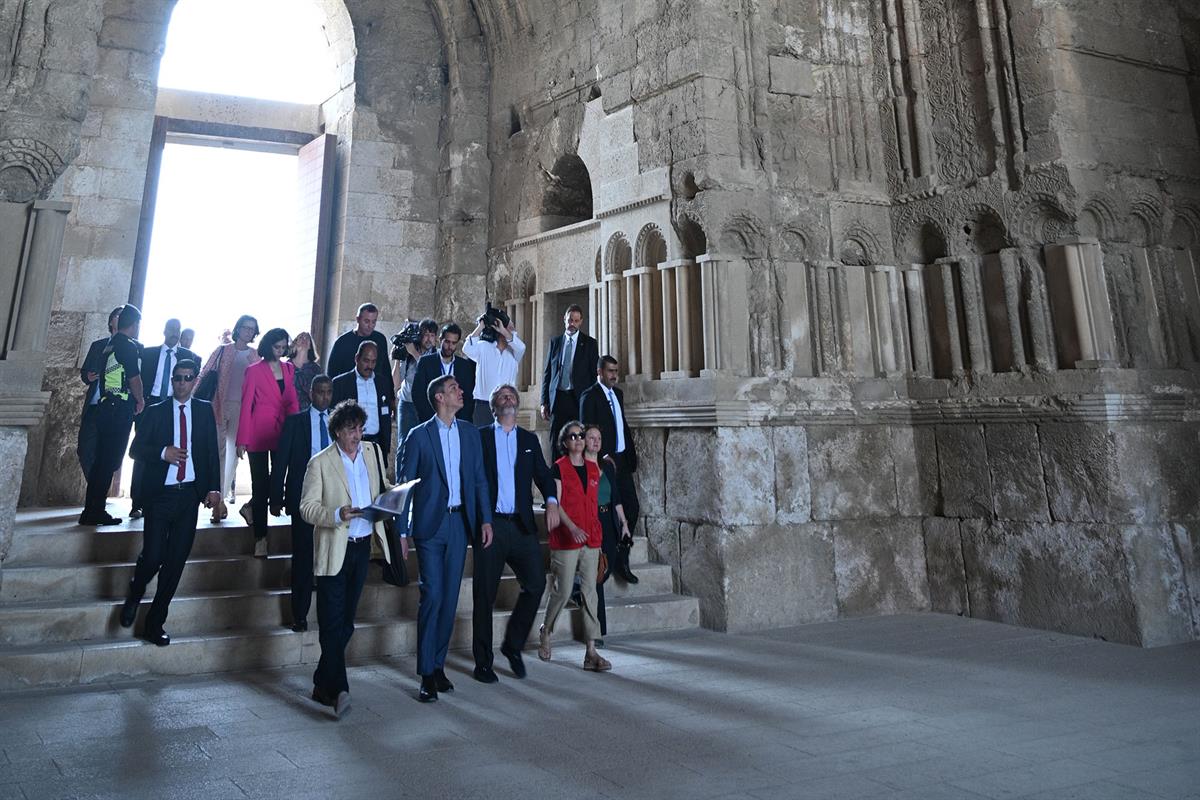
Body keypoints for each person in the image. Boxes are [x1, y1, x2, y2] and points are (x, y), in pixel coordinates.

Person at [300, 400, 404, 718]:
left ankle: (321, 681)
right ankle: (339, 689)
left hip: (362, 547)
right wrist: (336, 513)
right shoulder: (320, 463)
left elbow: (382, 488)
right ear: (337, 433)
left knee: (345, 623)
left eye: (359, 428)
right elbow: (306, 507)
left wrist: (398, 494)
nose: (357, 435)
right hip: (335, 548)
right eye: (350, 430)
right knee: (332, 621)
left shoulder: (371, 453)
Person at [398, 373, 493, 702]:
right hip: (429, 526)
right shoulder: (418, 436)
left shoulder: (469, 433)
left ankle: (438, 665)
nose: (461, 391)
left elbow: (480, 480)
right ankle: (426, 671)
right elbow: (405, 486)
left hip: (459, 525)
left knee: (450, 599)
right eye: (455, 388)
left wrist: (485, 520)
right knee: (433, 595)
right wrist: (401, 530)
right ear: (439, 397)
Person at [119, 359, 221, 646]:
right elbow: (135, 450)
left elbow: (211, 451)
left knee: (175, 563)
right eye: (177, 378)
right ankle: (135, 591)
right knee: (153, 556)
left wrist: (213, 488)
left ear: (194, 381)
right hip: (160, 495)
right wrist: (163, 452)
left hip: (188, 495)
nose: (182, 383)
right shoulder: (155, 412)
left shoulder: (202, 410)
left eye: (187, 378)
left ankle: (155, 623)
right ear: (172, 380)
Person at [473, 383, 561, 683]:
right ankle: (483, 662)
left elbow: (545, 476)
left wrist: (551, 502)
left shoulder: (528, 439)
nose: (508, 398)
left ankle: (512, 646)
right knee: (484, 594)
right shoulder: (481, 437)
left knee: (536, 584)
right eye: (501, 396)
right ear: (494, 406)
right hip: (492, 525)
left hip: (521, 525)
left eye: (511, 395)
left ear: (518, 404)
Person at [537, 421, 610, 672]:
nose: (579, 439)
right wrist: (572, 528)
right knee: (564, 589)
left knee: (590, 592)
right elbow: (556, 504)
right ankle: (546, 630)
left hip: (591, 539)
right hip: (566, 539)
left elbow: (593, 504)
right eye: (573, 436)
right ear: (565, 442)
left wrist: (596, 535)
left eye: (581, 435)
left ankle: (591, 651)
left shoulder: (593, 469)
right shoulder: (558, 469)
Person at [270, 374, 333, 632]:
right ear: (310, 393)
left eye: (329, 392)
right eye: (320, 392)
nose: (324, 397)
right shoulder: (295, 422)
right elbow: (281, 461)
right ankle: (300, 614)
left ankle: (330, 613)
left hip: (332, 499)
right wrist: (276, 497)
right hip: (303, 498)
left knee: (330, 557)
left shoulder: (338, 423)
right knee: (303, 556)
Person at [79, 304, 145, 526]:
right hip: (118, 408)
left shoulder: (111, 345)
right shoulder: (126, 345)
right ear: (134, 324)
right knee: (109, 462)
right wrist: (141, 400)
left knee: (101, 463)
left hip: (107, 406)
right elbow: (134, 378)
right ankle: (96, 511)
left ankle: (90, 510)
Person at [235, 328, 298, 557]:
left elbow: (292, 401)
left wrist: (298, 429)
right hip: (258, 432)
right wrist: (242, 439)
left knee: (277, 480)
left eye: (283, 347)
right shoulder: (254, 371)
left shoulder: (289, 368)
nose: (280, 351)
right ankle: (261, 537)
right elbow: (246, 405)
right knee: (259, 484)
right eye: (277, 347)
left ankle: (251, 507)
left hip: (284, 430)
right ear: (268, 345)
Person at [130, 318, 201, 520]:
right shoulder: (149, 353)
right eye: (171, 329)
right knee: (144, 454)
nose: (174, 333)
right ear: (164, 330)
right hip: (150, 406)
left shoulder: (188, 356)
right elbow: (138, 378)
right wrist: (140, 402)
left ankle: (166, 497)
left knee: (172, 451)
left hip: (175, 406)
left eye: (177, 330)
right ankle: (138, 503)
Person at [579, 355, 639, 584]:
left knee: (632, 508)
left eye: (616, 370)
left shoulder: (618, 394)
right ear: (599, 372)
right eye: (610, 371)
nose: (614, 375)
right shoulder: (589, 396)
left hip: (622, 461)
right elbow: (586, 428)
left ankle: (622, 559)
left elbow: (620, 424)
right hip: (604, 463)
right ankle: (605, 559)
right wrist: (601, 456)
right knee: (607, 511)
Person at [197, 314, 261, 516]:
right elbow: (204, 373)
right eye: (245, 327)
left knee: (233, 456)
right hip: (218, 406)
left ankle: (221, 499)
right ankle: (217, 499)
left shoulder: (255, 355)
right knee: (218, 453)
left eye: (252, 329)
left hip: (243, 411)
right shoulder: (222, 350)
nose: (248, 331)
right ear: (238, 328)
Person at [584, 423, 633, 642]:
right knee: (595, 575)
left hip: (608, 520)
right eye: (591, 438)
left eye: (599, 438)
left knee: (607, 566)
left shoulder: (608, 466)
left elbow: (616, 498)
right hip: (590, 520)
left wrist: (624, 523)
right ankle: (597, 632)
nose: (596, 442)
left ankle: (578, 591)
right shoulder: (579, 466)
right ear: (583, 440)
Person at [539, 305, 599, 455]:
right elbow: (548, 373)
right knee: (556, 441)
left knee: (578, 440)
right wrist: (543, 401)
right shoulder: (555, 342)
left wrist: (592, 403)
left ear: (581, 322)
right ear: (564, 320)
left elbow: (594, 375)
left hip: (578, 398)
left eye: (576, 321)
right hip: (558, 398)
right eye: (570, 320)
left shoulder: (590, 344)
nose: (572, 324)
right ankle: (557, 474)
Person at [77, 306, 123, 476]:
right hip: (94, 405)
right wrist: (88, 376)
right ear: (111, 321)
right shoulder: (98, 346)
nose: (120, 318)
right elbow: (84, 373)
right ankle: (95, 488)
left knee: (108, 454)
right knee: (84, 450)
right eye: (118, 316)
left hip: (115, 408)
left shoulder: (133, 347)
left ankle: (98, 493)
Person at [326, 302, 394, 413]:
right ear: (358, 319)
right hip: (348, 396)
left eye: (374, 322)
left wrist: (391, 397)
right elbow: (332, 372)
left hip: (374, 394)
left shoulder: (380, 339)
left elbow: (385, 369)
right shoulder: (342, 342)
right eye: (366, 321)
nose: (370, 325)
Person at [331, 341, 392, 461]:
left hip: (376, 444)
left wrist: (386, 445)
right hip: (349, 444)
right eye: (366, 360)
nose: (369, 365)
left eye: (373, 361)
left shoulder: (383, 383)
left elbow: (386, 415)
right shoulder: (340, 383)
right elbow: (334, 418)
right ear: (357, 358)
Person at [462, 311, 525, 426]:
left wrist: (503, 330)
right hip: (483, 405)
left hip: (506, 405)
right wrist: (481, 326)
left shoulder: (515, 353)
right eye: (511, 328)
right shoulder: (484, 347)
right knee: (483, 441)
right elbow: (467, 348)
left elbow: (521, 347)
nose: (514, 332)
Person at [390, 318, 437, 472]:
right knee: (404, 444)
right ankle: (401, 485)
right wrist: (398, 358)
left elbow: (431, 374)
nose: (428, 339)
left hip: (426, 406)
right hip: (407, 403)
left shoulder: (436, 356)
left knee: (426, 444)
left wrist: (415, 353)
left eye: (432, 335)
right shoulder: (409, 354)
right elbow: (396, 381)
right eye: (425, 335)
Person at [412, 323, 475, 424]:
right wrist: (429, 419)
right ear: (440, 339)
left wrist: (461, 421)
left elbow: (468, 396)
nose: (450, 346)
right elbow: (418, 393)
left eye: (454, 343)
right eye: (447, 342)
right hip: (431, 419)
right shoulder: (425, 362)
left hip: (457, 420)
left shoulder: (464, 366)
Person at [290, 331, 322, 413]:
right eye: (301, 337)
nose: (304, 339)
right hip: (287, 411)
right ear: (294, 345)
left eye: (307, 338)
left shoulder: (316, 369)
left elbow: (319, 393)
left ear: (310, 346)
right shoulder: (285, 366)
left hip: (307, 412)